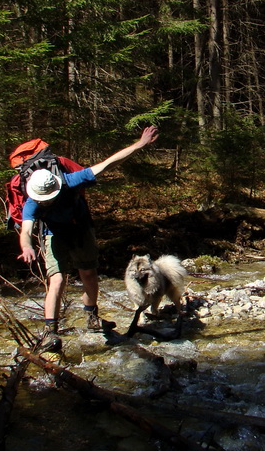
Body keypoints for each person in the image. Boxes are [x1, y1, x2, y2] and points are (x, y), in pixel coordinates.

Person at [18, 126, 159, 342]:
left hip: (80, 227)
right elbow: (26, 230)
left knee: (89, 274)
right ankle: (50, 333)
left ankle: (92, 317)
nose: (44, 202)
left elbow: (108, 164)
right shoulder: (31, 202)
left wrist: (139, 145)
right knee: (57, 280)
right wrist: (26, 246)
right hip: (54, 234)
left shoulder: (70, 181)